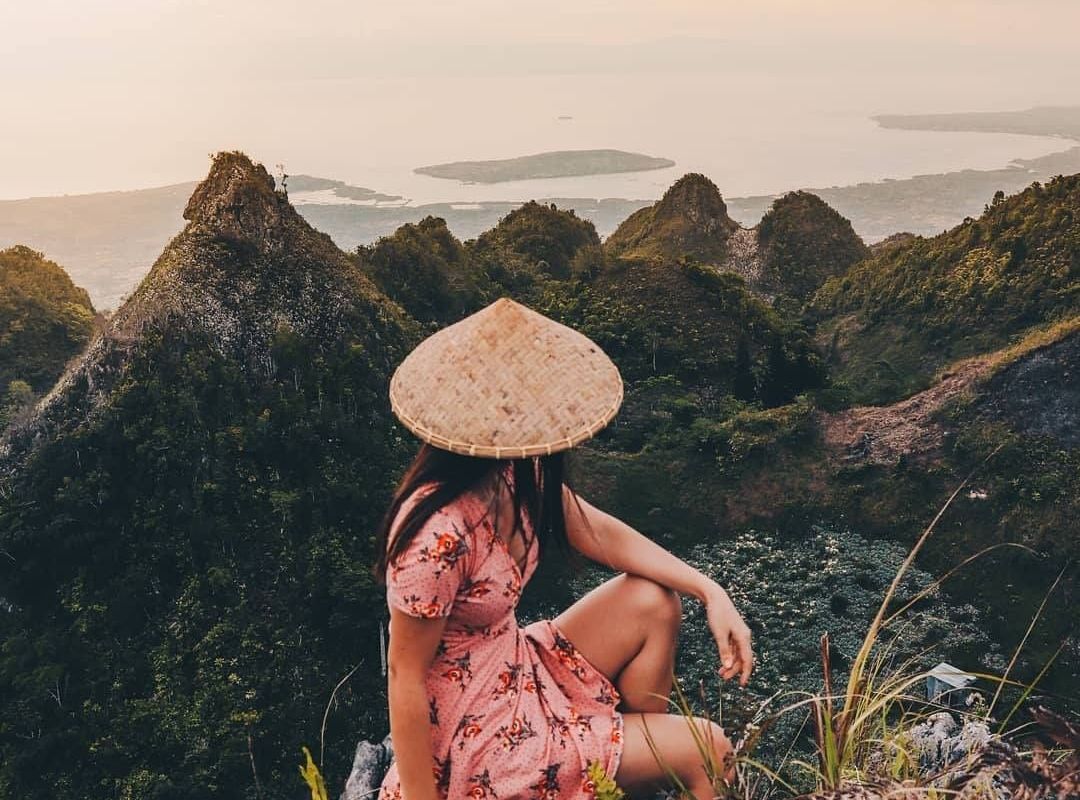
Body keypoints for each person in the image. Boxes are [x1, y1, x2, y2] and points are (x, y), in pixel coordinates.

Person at [374, 298, 753, 799]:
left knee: (655, 600)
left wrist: (711, 591)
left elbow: (598, 532)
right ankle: (629, 761)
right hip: (480, 735)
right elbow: (404, 674)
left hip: (514, 667)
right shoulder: (437, 532)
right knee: (712, 750)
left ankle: (620, 770)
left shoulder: (514, 470)